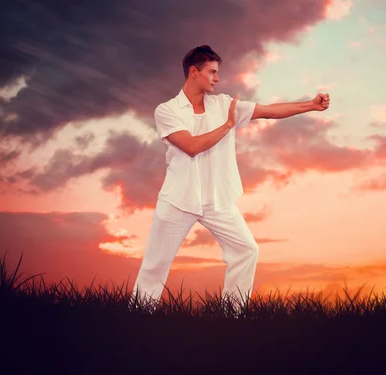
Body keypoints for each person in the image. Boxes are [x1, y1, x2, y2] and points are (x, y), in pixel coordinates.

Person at [131, 45, 330, 310]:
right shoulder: (167, 111)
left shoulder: (225, 104)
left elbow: (268, 111)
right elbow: (191, 147)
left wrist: (311, 106)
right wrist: (227, 125)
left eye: (217, 72)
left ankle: (232, 315)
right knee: (155, 264)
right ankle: (138, 316)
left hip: (218, 200)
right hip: (179, 199)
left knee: (246, 251)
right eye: (212, 72)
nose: (217, 78)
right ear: (194, 72)